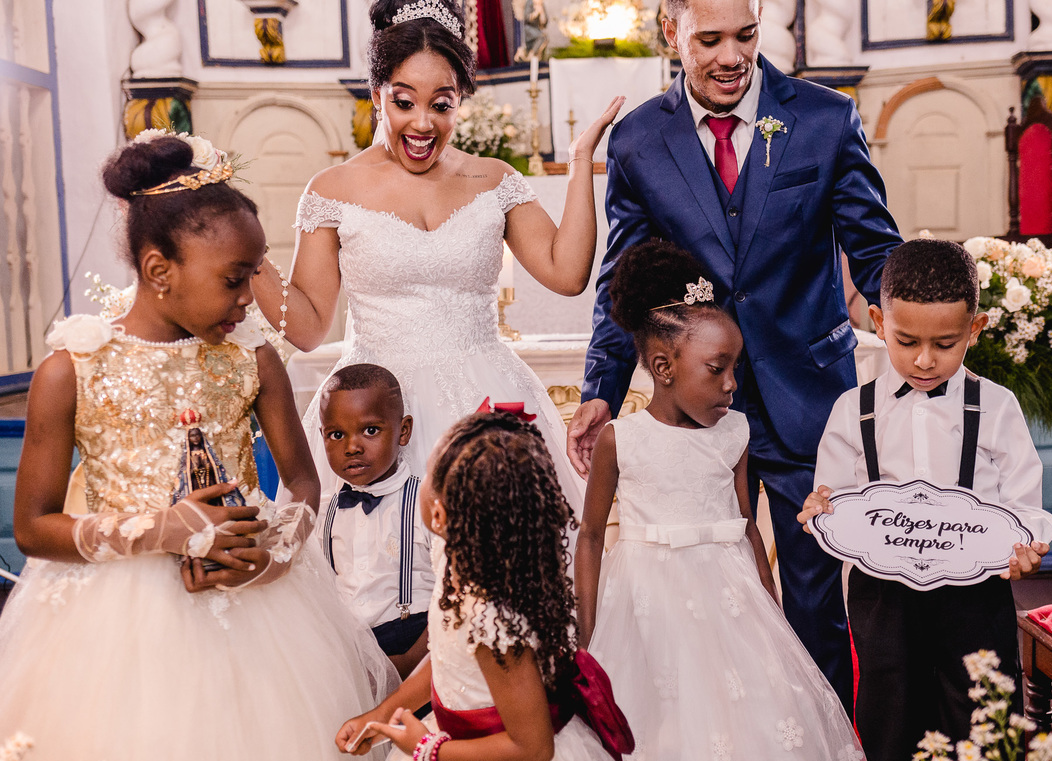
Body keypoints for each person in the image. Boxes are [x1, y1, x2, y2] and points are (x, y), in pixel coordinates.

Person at [0, 132, 395, 761]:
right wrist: (162, 531)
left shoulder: (252, 357)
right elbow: (35, 526)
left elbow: (302, 480)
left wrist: (275, 553)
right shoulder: (73, 370)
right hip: (112, 627)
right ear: (160, 273)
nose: (250, 299)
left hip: (258, 608)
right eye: (234, 280)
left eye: (254, 275)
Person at [566, 0, 905, 711]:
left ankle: (827, 750)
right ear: (672, 34)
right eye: (710, 39)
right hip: (697, 408)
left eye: (745, 36)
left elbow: (874, 248)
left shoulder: (824, 118)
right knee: (710, 593)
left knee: (815, 599)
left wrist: (914, 328)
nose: (731, 57)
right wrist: (601, 385)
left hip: (808, 395)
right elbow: (621, 278)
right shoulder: (637, 141)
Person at [250, 0, 623, 519]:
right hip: (374, 410)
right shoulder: (331, 190)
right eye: (405, 102)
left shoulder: (493, 179)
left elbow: (567, 273)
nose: (423, 124)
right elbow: (309, 329)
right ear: (378, 95)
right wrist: (250, 258)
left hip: (487, 396)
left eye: (442, 105)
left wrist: (583, 159)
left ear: (460, 102)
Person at [575, 241, 874, 761]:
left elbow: (746, 524)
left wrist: (770, 607)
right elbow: (591, 537)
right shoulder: (623, 437)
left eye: (734, 367)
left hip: (728, 597)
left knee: (745, 717)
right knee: (659, 718)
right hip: (644, 599)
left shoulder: (735, 432)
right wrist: (586, 632)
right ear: (663, 368)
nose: (732, 384)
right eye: (718, 369)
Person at [798, 238, 1052, 761]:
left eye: (945, 344)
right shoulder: (852, 411)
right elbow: (835, 498)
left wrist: (1026, 544)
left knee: (983, 732)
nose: (923, 360)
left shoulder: (998, 408)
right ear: (876, 321)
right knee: (891, 734)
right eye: (905, 340)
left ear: (976, 329)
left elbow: (1024, 502)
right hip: (883, 600)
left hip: (975, 599)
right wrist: (822, 513)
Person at [337, 412, 638, 761]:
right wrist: (382, 714)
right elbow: (448, 660)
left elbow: (533, 747)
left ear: (441, 515)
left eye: (430, 473)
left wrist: (426, 749)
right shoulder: (460, 554)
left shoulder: (491, 617)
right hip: (458, 741)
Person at [318, 363, 435, 677]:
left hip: (415, 646)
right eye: (336, 435)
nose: (352, 447)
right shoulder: (324, 510)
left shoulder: (427, 503)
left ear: (403, 431)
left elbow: (452, 596)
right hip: (348, 651)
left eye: (370, 430)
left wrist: (410, 662)